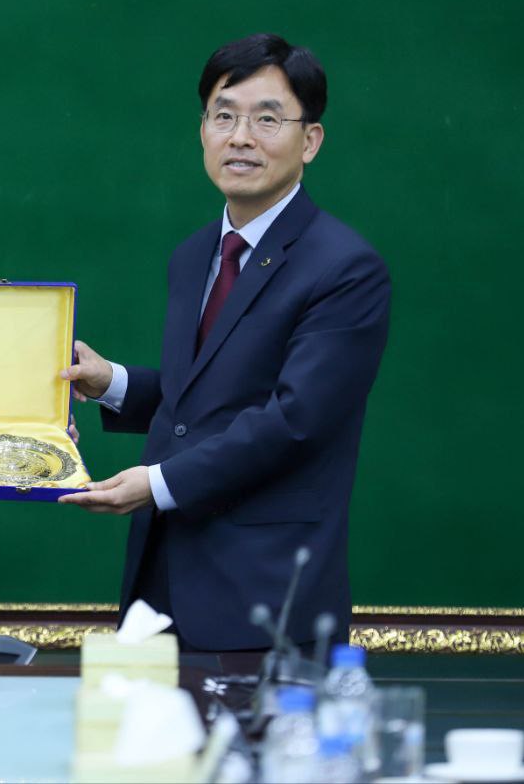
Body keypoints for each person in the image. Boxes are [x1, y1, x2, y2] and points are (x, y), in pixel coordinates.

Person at [59, 34, 392, 651]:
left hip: (265, 597)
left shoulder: (345, 268)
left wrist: (157, 484)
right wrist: (111, 384)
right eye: (224, 116)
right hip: (160, 584)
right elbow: (205, 401)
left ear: (310, 140)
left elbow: (295, 420)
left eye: (267, 119)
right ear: (203, 131)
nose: (241, 137)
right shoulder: (194, 256)